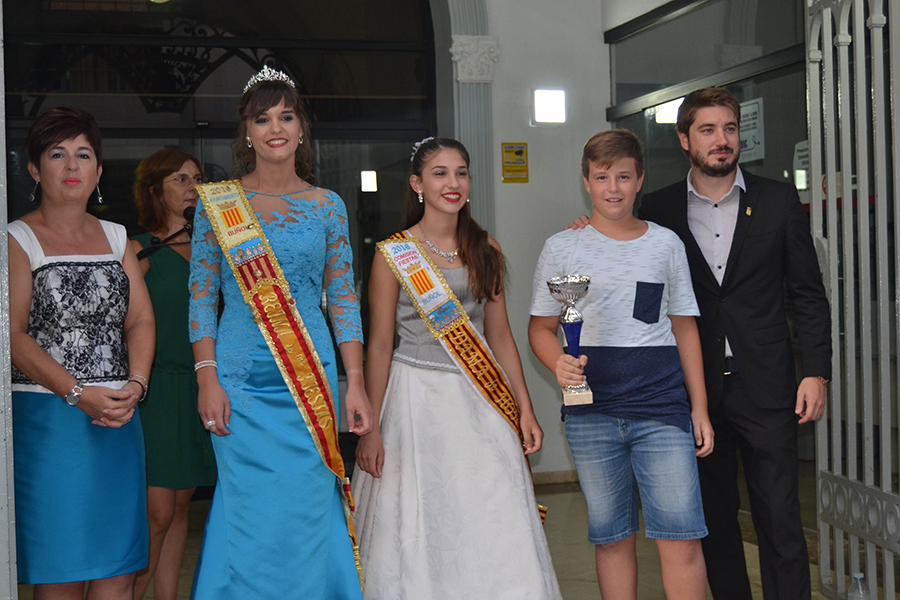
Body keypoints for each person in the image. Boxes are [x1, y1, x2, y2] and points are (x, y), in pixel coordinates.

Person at [638, 88, 831, 600]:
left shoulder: (778, 200)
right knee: (715, 522)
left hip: (766, 386)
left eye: (729, 128)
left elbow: (808, 294)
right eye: (707, 130)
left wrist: (816, 371)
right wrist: (584, 231)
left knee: (780, 519)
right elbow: (641, 288)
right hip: (693, 392)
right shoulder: (657, 209)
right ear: (685, 140)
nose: (721, 139)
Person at [188, 66, 372, 599]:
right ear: (246, 131)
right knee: (248, 507)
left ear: (302, 128)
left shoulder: (328, 205)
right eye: (262, 118)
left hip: (308, 378)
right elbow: (201, 298)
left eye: (286, 116)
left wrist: (355, 383)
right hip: (239, 381)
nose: (276, 128)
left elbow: (343, 299)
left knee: (309, 503)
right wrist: (206, 378)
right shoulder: (217, 204)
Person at [352, 136, 562, 599]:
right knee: (421, 517)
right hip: (414, 401)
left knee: (493, 508)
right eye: (440, 173)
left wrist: (525, 408)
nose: (453, 183)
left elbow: (500, 337)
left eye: (461, 172)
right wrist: (372, 428)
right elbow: (380, 346)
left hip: (480, 399)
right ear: (417, 184)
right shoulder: (393, 254)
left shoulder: (486, 248)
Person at [529, 130, 713, 600]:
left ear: (640, 180)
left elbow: (684, 328)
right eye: (602, 177)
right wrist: (558, 364)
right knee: (611, 539)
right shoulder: (561, 247)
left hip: (662, 409)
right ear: (586, 182)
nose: (613, 188)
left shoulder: (666, 244)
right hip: (590, 413)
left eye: (624, 177)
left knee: (681, 538)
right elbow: (541, 329)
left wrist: (699, 407)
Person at [9, 106, 154, 599]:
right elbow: (14, 337)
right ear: (35, 169)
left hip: (118, 416)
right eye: (57, 154)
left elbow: (140, 319)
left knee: (119, 571)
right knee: (62, 572)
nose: (72, 166)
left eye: (83, 154)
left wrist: (136, 384)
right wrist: (77, 393)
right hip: (50, 422)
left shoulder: (117, 237)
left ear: (98, 170)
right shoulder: (16, 239)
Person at [130, 149, 217, 600]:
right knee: (158, 513)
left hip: (199, 388)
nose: (192, 188)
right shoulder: (138, 249)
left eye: (198, 179)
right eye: (181, 179)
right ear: (154, 190)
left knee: (182, 505)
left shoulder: (212, 250)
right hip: (156, 390)